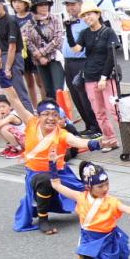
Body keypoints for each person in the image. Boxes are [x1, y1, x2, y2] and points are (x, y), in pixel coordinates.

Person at [12, 97, 104, 234]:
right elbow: (14, 99)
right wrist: (3, 82)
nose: (51, 118)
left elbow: (78, 142)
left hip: (61, 174)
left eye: (55, 115)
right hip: (36, 175)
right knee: (45, 179)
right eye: (46, 114)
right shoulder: (31, 123)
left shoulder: (61, 134)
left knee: (90, 194)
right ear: (39, 116)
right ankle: (43, 220)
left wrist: (97, 143)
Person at [66, 1, 120, 152]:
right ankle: (110, 140)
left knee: (115, 110)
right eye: (84, 15)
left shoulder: (108, 32)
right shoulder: (85, 33)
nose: (87, 18)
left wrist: (104, 77)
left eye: (89, 14)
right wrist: (68, 29)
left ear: (97, 14)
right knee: (99, 112)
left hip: (107, 77)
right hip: (89, 76)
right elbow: (76, 49)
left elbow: (111, 56)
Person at [62, 0, 101, 138]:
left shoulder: (86, 21)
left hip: (82, 61)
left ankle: (96, 126)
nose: (70, 8)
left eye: (73, 4)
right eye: (68, 5)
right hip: (69, 62)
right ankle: (89, 125)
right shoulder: (69, 22)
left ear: (80, 4)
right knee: (76, 96)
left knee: (86, 96)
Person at [0, 0, 34, 113]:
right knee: (11, 93)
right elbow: (0, 42)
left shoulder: (10, 20)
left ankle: (30, 118)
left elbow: (12, 46)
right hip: (3, 56)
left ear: (1, 4)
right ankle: (21, 117)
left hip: (12, 57)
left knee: (19, 92)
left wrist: (7, 68)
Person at [23, 0, 65, 96]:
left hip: (54, 57)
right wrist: (39, 56)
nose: (44, 7)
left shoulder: (54, 20)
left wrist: (42, 52)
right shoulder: (29, 23)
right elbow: (28, 41)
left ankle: (61, 106)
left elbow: (58, 39)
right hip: (39, 60)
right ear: (35, 7)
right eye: (41, 5)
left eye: (46, 4)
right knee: (48, 90)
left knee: (58, 89)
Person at [9, 0, 44, 109]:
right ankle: (34, 108)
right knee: (29, 83)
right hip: (22, 54)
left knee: (40, 82)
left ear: (25, 4)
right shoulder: (12, 19)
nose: (17, 4)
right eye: (14, 2)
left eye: (19, 2)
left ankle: (44, 105)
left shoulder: (32, 16)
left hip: (34, 51)